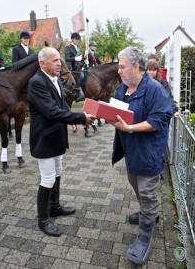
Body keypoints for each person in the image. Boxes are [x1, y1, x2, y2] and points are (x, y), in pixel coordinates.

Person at [110, 47, 173, 264]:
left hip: (147, 153)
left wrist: (129, 128)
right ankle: (149, 214)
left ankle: (145, 235)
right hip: (130, 151)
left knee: (147, 192)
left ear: (137, 66)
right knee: (135, 184)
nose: (119, 71)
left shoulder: (155, 90)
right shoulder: (122, 89)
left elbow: (158, 121)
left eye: (122, 66)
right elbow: (117, 111)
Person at [27, 47, 95, 237]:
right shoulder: (36, 82)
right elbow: (51, 111)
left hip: (56, 135)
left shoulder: (55, 79)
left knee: (57, 172)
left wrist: (72, 118)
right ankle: (42, 219)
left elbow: (62, 103)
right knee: (47, 178)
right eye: (55, 60)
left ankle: (54, 206)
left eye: (59, 60)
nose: (60, 64)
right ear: (42, 64)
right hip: (45, 138)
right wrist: (80, 118)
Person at [147, 60, 180, 179]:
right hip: (148, 119)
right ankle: (151, 168)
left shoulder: (163, 83)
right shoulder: (142, 83)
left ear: (157, 71)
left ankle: (159, 170)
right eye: (149, 70)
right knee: (149, 145)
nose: (151, 72)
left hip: (161, 120)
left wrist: (175, 110)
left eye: (153, 70)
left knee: (160, 145)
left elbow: (169, 98)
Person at [64, 32, 85, 102]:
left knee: (84, 76)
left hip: (78, 68)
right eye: (76, 39)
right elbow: (67, 58)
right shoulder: (68, 48)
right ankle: (76, 94)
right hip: (71, 68)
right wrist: (75, 58)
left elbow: (80, 60)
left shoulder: (78, 49)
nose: (78, 40)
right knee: (79, 76)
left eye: (78, 39)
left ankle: (82, 93)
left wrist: (84, 59)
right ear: (72, 39)